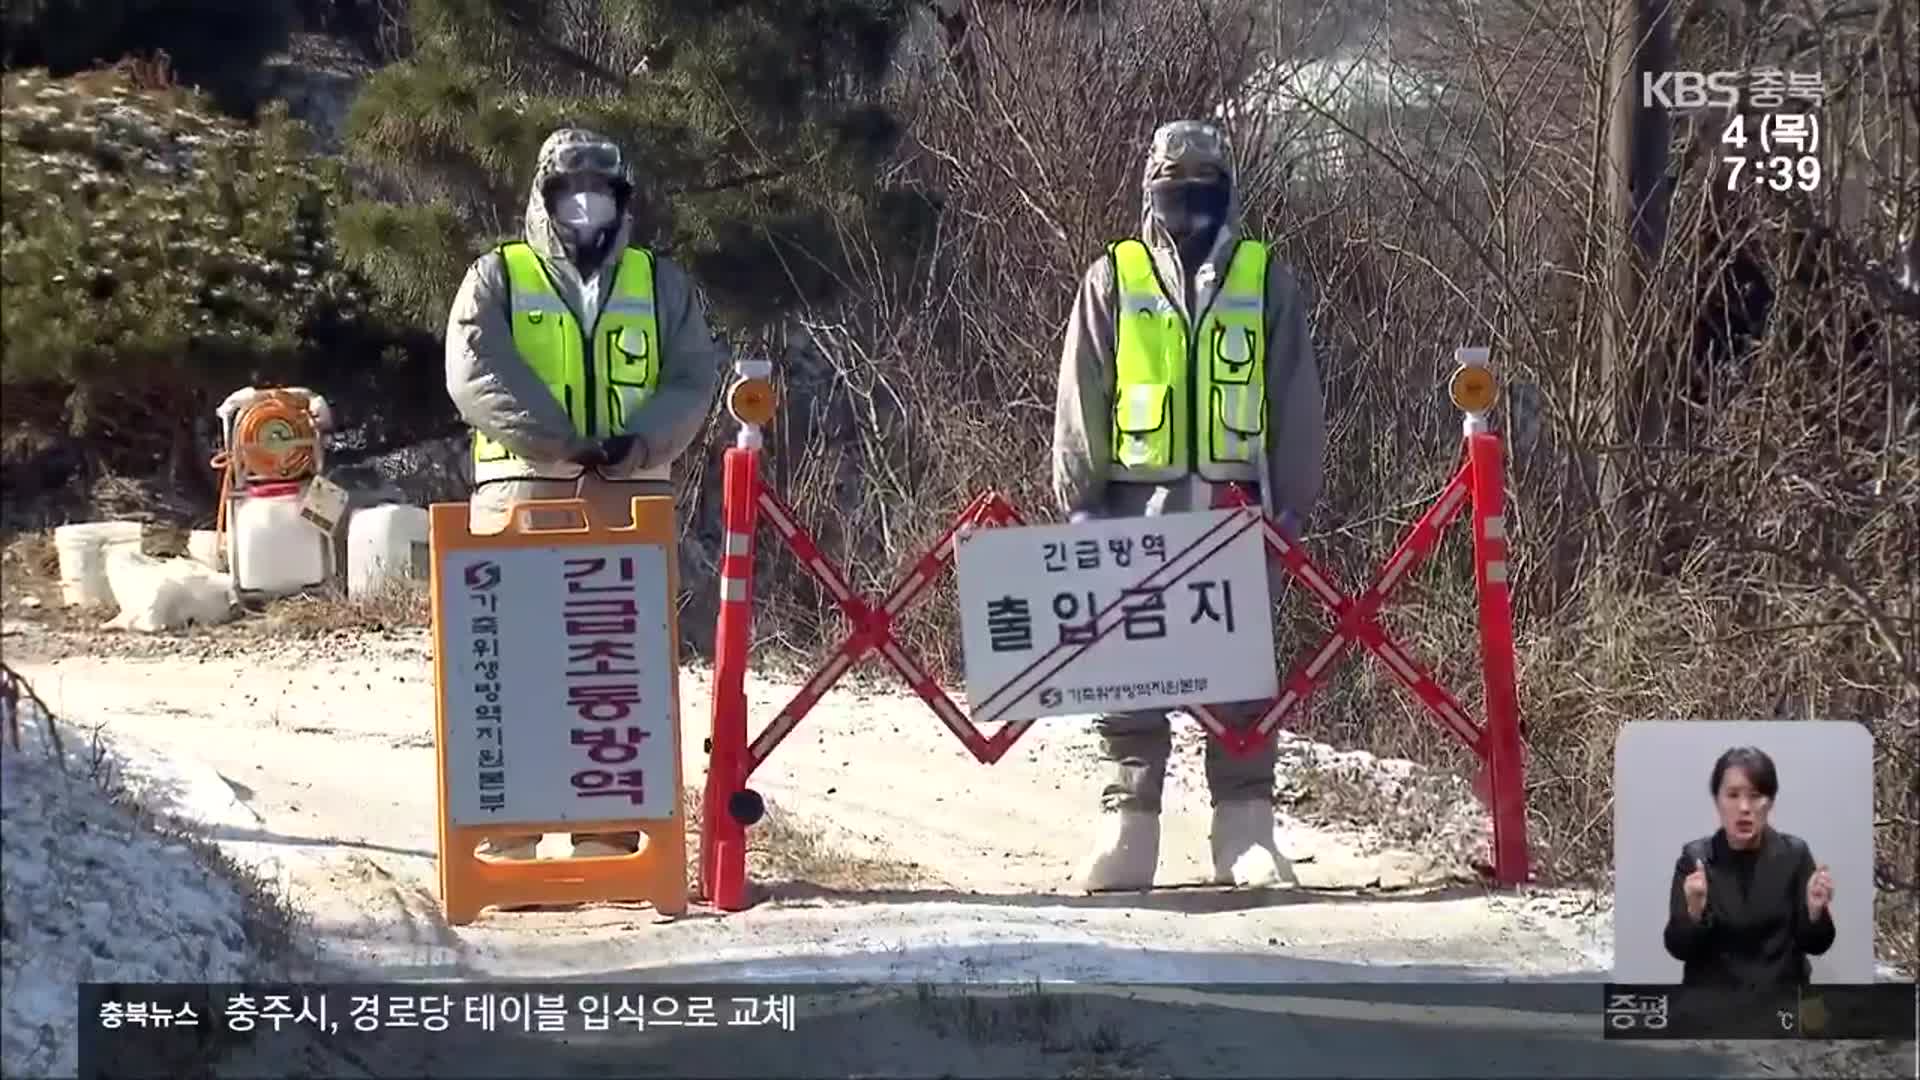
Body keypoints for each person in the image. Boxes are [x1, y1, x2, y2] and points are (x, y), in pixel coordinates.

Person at [1051, 119, 1327, 892]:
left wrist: (1292, 503)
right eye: (1175, 192)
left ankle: (1244, 826)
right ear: (1148, 193)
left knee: (1241, 674)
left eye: (1202, 190)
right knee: (1128, 670)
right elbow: (1083, 393)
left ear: (1228, 191)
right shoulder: (1115, 276)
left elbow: (1295, 396)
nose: (1188, 207)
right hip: (1136, 508)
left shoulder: (1265, 278)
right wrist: (1080, 501)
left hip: (1238, 507)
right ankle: (1127, 823)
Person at [445, 127, 725, 864]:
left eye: (600, 193)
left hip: (629, 496)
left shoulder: (661, 283)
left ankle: (611, 834)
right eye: (570, 193)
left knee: (620, 674)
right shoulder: (495, 277)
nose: (585, 207)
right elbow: (476, 371)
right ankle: (509, 840)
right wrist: (560, 440)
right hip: (522, 491)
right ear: (544, 196)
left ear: (622, 200)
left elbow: (695, 376)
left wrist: (640, 443)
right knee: (517, 667)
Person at [1663, 746, 1837, 987]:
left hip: (1780, 1006)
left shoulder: (1794, 855)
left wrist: (1816, 912)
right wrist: (1694, 911)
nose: (1744, 807)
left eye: (1755, 796)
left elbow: (1817, 945)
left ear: (1770, 802)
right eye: (1733, 795)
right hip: (1713, 1009)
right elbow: (1678, 948)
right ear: (1717, 800)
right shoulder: (1696, 859)